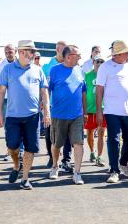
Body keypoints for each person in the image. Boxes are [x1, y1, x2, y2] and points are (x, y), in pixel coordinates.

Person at [0, 40, 50, 190]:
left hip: (32, 116)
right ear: (20, 52)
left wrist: (47, 112)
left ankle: (25, 178)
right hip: (13, 116)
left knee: (30, 148)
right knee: (12, 147)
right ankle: (16, 165)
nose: (32, 55)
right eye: (28, 51)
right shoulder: (8, 69)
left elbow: (44, 92)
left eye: (33, 52)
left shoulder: (38, 70)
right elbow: (0, 92)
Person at [96, 40, 128, 183]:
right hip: (111, 110)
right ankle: (114, 170)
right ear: (119, 54)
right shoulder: (105, 67)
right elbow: (99, 90)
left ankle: (124, 163)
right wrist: (99, 111)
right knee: (113, 139)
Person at [48, 45, 86, 185]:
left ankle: (77, 173)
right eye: (78, 55)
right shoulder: (55, 70)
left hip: (77, 115)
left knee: (78, 143)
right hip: (58, 114)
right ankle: (54, 166)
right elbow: (47, 90)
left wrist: (85, 112)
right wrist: (46, 108)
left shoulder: (80, 71)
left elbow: (83, 92)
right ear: (69, 56)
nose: (80, 57)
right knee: (57, 144)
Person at [41, 41, 73, 171]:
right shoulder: (48, 67)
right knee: (49, 135)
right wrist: (43, 104)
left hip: (67, 107)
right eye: (65, 49)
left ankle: (66, 160)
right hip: (52, 107)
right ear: (58, 49)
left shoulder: (71, 64)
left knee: (67, 135)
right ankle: (51, 157)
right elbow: (43, 87)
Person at [0, 44, 24, 161]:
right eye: (6, 52)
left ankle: (20, 151)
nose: (8, 54)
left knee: (21, 126)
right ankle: (9, 150)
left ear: (15, 51)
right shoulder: (1, 66)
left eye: (10, 51)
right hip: (6, 100)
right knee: (9, 127)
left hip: (19, 99)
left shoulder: (21, 63)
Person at [84, 54, 106, 166]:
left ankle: (99, 156)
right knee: (90, 133)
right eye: (97, 62)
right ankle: (92, 151)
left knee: (101, 133)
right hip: (89, 109)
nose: (99, 64)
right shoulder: (87, 75)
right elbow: (83, 92)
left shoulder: (107, 75)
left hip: (102, 109)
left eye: (102, 62)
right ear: (93, 63)